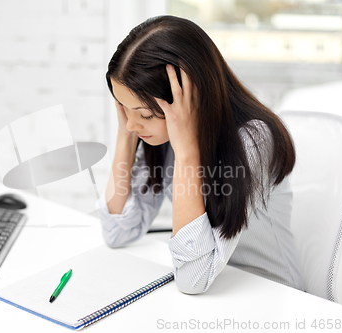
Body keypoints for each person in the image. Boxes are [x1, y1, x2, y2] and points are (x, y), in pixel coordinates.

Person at [96, 15, 304, 295]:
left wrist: (186, 154)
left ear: (190, 97)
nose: (133, 124)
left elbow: (193, 279)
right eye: (123, 107)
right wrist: (126, 136)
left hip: (268, 292)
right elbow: (117, 231)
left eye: (144, 113)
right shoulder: (158, 135)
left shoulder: (253, 140)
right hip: (214, 292)